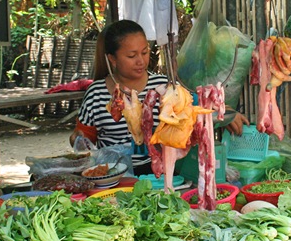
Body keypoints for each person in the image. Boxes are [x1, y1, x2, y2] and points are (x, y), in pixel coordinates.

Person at [70, 20, 249, 176]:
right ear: (112, 59)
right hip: (114, 176)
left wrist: (227, 114)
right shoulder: (96, 93)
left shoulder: (163, 86)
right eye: (132, 56)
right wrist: (79, 139)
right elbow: (83, 137)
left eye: (145, 52)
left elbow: (196, 104)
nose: (141, 61)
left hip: (162, 172)